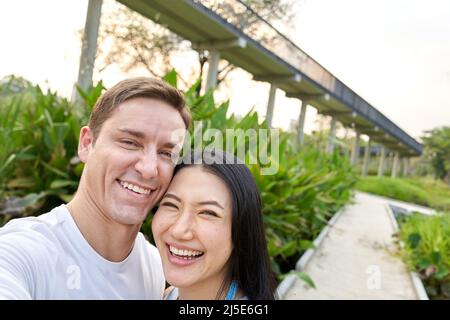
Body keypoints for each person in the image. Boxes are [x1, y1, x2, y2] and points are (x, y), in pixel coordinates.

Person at [0, 77, 191, 299]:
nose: (149, 169)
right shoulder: (19, 254)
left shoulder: (154, 266)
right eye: (130, 142)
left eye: (166, 153)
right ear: (86, 143)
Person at [152, 150, 277, 300]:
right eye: (171, 204)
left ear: (241, 230)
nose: (178, 230)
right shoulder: (167, 294)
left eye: (208, 213)